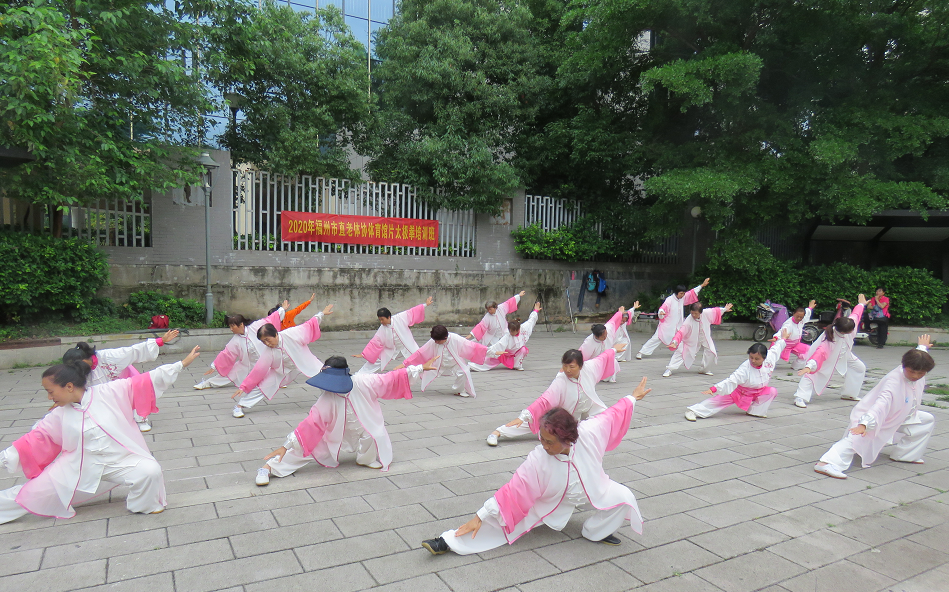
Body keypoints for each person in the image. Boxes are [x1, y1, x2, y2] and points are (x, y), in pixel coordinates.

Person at [420, 378, 650, 556]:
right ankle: (448, 542)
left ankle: (594, 532)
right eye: (541, 439)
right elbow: (511, 491)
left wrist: (632, 398)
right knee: (506, 522)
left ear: (568, 438)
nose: (544, 445)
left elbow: (613, 414)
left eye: (549, 442)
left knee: (626, 498)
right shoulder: (538, 459)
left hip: (594, 488)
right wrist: (480, 516)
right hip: (549, 499)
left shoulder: (589, 432)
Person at [0, 346, 201, 524]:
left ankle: (143, 504)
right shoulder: (58, 415)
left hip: (119, 461)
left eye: (51, 391)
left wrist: (181, 364)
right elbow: (32, 441)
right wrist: (3, 458)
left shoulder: (108, 392)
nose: (49, 397)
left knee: (150, 471)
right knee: (30, 494)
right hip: (77, 468)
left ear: (69, 386)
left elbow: (145, 380)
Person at [254, 355, 438, 484]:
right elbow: (310, 425)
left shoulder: (364, 381)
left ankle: (365, 459)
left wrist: (420, 368)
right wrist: (286, 445)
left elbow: (391, 378)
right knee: (307, 445)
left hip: (364, 423)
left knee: (374, 433)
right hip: (334, 431)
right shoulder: (326, 398)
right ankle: (269, 468)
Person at [814, 335, 936, 479]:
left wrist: (923, 347)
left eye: (921, 373)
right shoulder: (893, 382)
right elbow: (880, 405)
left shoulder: (917, 365)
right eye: (911, 371)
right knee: (859, 436)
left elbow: (920, 358)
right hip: (877, 415)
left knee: (926, 419)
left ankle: (906, 455)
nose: (915, 376)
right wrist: (864, 423)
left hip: (901, 414)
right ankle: (826, 463)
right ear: (903, 366)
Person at [486, 347, 621, 446]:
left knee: (605, 417)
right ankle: (498, 432)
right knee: (534, 422)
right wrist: (523, 416)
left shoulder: (589, 368)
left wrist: (614, 350)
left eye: (571, 367)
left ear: (580, 366)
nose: (567, 370)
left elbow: (602, 358)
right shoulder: (561, 381)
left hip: (586, 408)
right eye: (565, 365)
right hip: (563, 416)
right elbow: (544, 400)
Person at [61, 329, 180, 432]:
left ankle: (140, 419)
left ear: (85, 359)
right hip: (102, 389)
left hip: (123, 379)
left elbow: (133, 351)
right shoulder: (79, 371)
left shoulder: (109, 356)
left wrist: (161, 341)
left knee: (134, 392)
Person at [230, 304, 334, 417]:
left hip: (303, 360)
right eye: (263, 342)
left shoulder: (291, 334)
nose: (267, 344)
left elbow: (309, 324)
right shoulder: (268, 351)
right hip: (282, 370)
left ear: (275, 334)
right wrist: (244, 386)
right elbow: (258, 370)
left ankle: (331, 402)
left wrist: (321, 314)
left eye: (268, 340)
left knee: (323, 376)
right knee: (264, 386)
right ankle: (239, 406)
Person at [684, 331, 788, 421]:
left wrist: (783, 339)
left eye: (757, 359)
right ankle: (693, 411)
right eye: (751, 357)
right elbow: (731, 380)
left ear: (764, 358)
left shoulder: (770, 358)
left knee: (772, 391)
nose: (753, 361)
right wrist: (714, 388)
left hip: (759, 391)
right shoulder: (745, 368)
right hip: (740, 392)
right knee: (718, 401)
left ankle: (755, 411)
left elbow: (777, 348)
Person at [791, 295, 867, 408]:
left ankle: (849, 394)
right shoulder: (830, 339)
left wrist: (861, 304)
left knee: (859, 367)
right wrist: (810, 366)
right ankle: (800, 397)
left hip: (845, 354)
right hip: (829, 356)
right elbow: (819, 353)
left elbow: (856, 314)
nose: (853, 331)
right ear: (843, 332)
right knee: (813, 373)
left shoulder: (850, 323)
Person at [193, 307, 286, 391]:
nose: (231, 329)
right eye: (230, 326)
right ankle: (207, 383)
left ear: (241, 324)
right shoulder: (235, 340)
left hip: (264, 361)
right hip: (246, 365)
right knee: (229, 374)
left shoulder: (255, 327)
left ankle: (279, 382)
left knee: (274, 370)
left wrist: (281, 310)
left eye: (232, 326)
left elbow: (269, 319)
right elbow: (226, 354)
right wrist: (215, 365)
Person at [400, 325, 488, 397]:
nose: (436, 342)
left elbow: (473, 346)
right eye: (435, 340)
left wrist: (491, 351)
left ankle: (458, 390)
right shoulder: (434, 341)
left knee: (464, 372)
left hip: (455, 362)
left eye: (438, 341)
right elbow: (421, 352)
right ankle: (402, 385)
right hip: (437, 363)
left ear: (445, 337)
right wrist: (405, 363)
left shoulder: (456, 338)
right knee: (418, 370)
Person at [353, 297, 432, 374]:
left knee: (418, 357)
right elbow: (375, 341)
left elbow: (412, 311)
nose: (381, 321)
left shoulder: (400, 318)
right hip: (391, 348)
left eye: (382, 319)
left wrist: (425, 305)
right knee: (377, 359)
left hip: (407, 344)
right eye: (379, 319)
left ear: (388, 317)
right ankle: (360, 374)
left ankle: (429, 370)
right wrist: (364, 354)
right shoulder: (382, 328)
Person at [636, 278, 710, 359]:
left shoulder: (682, 298)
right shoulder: (669, 300)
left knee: (683, 338)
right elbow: (662, 308)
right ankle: (641, 352)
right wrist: (661, 312)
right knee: (656, 338)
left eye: (683, 293)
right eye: (681, 293)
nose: (683, 295)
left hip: (679, 324)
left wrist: (702, 285)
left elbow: (691, 292)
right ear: (677, 292)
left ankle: (686, 353)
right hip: (668, 325)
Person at [662, 302, 733, 377]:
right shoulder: (689, 320)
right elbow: (681, 332)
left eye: (696, 313)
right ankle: (669, 369)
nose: (694, 315)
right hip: (691, 340)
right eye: (692, 313)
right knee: (681, 352)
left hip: (705, 337)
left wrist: (725, 309)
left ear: (700, 312)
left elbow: (716, 311)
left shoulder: (706, 313)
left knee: (711, 352)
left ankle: (704, 369)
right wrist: (675, 342)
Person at [470, 302, 541, 372]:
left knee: (523, 350)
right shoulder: (507, 336)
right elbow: (497, 346)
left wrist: (536, 311)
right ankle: (476, 365)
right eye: (510, 331)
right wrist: (485, 351)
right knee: (492, 358)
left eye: (513, 331)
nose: (511, 333)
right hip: (505, 353)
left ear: (518, 330)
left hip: (517, 352)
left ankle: (517, 365)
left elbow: (531, 320)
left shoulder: (523, 328)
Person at [579, 306, 627, 382]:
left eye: (606, 334)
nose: (605, 337)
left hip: (606, 356)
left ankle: (610, 377)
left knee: (613, 360)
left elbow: (613, 320)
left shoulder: (608, 328)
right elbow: (581, 356)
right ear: (596, 336)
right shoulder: (589, 342)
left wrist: (620, 312)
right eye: (603, 336)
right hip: (595, 361)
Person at [774, 300, 817, 370]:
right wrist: (776, 337)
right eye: (797, 316)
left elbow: (806, 315)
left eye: (801, 317)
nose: (799, 319)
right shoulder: (788, 324)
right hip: (786, 345)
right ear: (793, 314)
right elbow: (782, 331)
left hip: (795, 344)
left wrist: (810, 308)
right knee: (774, 354)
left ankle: (796, 366)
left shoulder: (802, 320)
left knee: (809, 350)